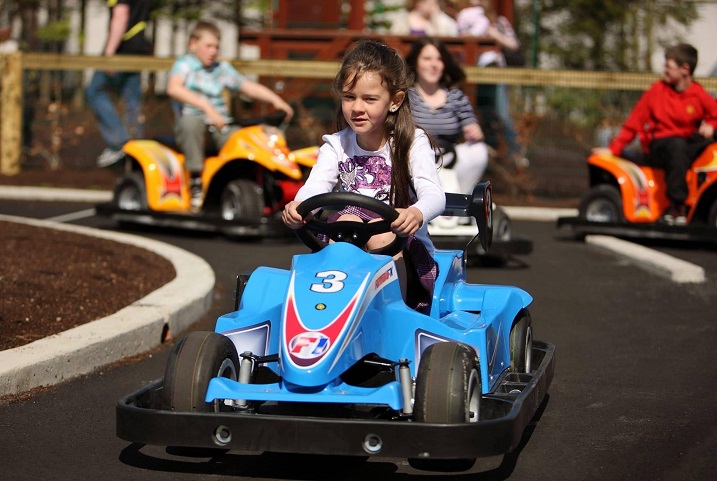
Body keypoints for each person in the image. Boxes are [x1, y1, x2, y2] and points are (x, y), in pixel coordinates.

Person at [282, 40, 445, 310]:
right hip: (349, 237)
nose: (357, 108)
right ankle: (328, 315)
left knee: (382, 234)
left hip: (404, 246)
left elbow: (434, 195)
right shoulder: (336, 145)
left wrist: (415, 213)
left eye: (369, 99)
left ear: (395, 101)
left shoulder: (410, 142)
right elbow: (316, 187)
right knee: (345, 222)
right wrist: (299, 207)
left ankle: (396, 314)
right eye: (349, 97)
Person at [166, 20, 294, 209]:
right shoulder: (185, 64)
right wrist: (207, 108)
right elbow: (173, 88)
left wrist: (276, 100)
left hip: (220, 126)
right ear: (193, 44)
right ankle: (195, 181)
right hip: (193, 125)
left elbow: (247, 86)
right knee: (190, 123)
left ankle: (257, 182)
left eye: (216, 47)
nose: (213, 51)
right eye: (208, 46)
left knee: (246, 138)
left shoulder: (220, 69)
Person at [594, 43, 717, 226]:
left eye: (668, 66)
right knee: (677, 145)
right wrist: (614, 149)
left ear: (685, 69)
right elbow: (633, 123)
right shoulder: (656, 92)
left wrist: (711, 127)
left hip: (684, 145)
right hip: (660, 145)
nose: (664, 71)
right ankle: (677, 205)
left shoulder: (699, 95)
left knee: (705, 143)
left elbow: (715, 115)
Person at [405, 36, 489, 195]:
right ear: (416, 63)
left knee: (479, 150)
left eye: (439, 59)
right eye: (427, 59)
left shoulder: (456, 97)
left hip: (450, 159)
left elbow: (471, 123)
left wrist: (474, 130)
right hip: (414, 160)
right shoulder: (405, 97)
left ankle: (459, 200)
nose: (434, 65)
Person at [456, 0, 524, 168]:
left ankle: (516, 155)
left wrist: (494, 33)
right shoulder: (464, 17)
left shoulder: (499, 21)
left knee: (502, 113)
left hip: (494, 72)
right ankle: (489, 157)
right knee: (481, 116)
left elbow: (514, 44)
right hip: (472, 73)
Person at [86, 0, 152, 169]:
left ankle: (119, 142)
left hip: (121, 51)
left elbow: (120, 16)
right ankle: (136, 155)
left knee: (94, 91)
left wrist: (109, 53)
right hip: (137, 50)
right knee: (132, 101)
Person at [390, 0, 458, 37]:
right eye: (431, 3)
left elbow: (445, 37)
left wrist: (436, 17)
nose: (434, 6)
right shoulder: (403, 20)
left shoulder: (437, 19)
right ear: (419, 3)